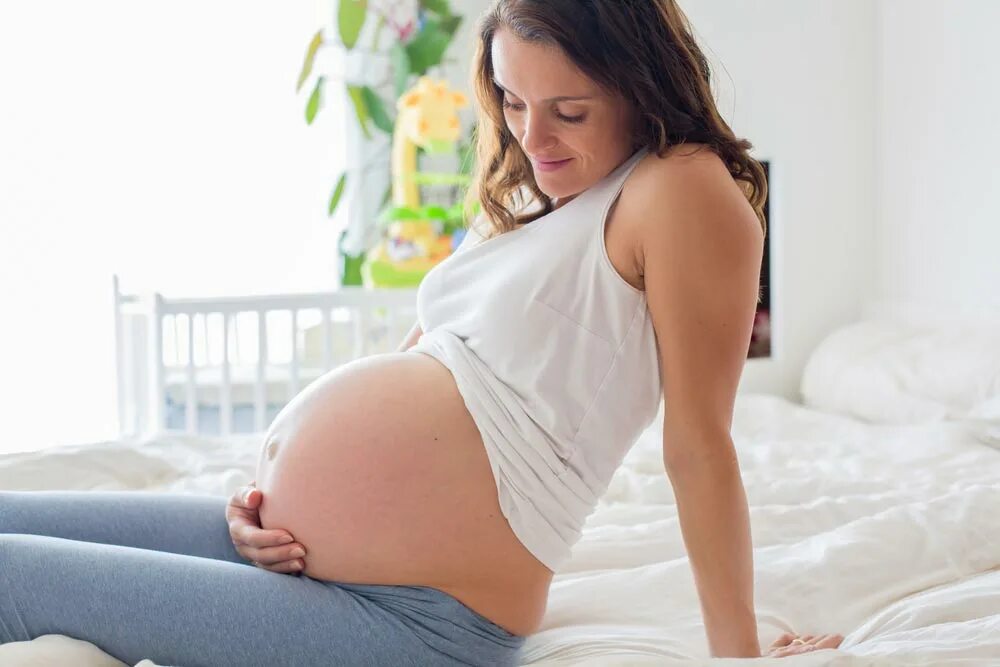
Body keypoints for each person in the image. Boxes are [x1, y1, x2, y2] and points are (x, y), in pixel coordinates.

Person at [0, 1, 843, 664]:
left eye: (569, 112)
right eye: (513, 101)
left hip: (416, 615)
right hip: (291, 550)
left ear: (642, 87)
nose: (531, 135)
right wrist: (259, 491)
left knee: (12, 573)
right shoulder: (536, 204)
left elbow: (699, 441)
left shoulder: (681, 188)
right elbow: (426, 363)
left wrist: (738, 651)